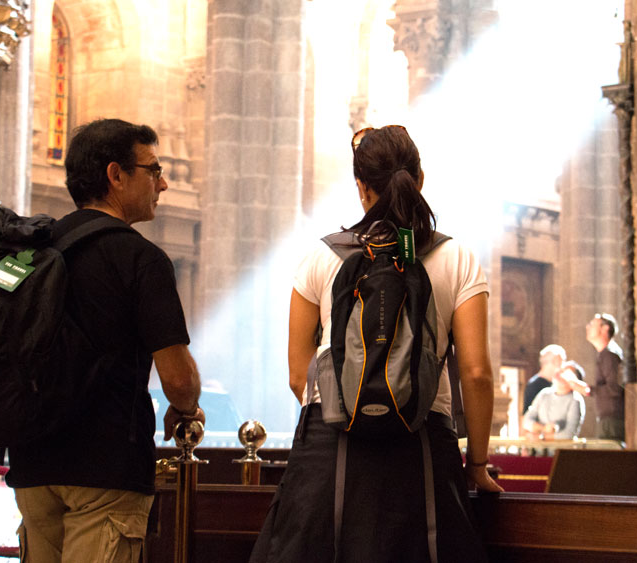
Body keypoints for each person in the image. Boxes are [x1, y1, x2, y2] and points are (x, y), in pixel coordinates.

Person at [250, 125, 502, 563]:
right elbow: (476, 373)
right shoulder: (457, 258)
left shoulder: (321, 257)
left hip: (331, 447)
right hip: (422, 444)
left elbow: (298, 376)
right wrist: (476, 465)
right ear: (419, 179)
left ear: (361, 187)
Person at [5, 119, 205, 563]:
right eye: (153, 170)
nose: (165, 183)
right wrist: (187, 408)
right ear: (116, 175)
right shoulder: (141, 259)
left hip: (32, 461)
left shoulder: (32, 252)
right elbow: (178, 378)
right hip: (105, 467)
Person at [585, 312, 624, 442]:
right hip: (608, 419)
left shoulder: (610, 355)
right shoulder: (605, 354)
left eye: (592, 324)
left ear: (605, 328)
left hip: (612, 420)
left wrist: (587, 389)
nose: (587, 327)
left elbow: (614, 388)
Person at [523, 361, 586, 439]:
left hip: (561, 449)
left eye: (566, 373)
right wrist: (543, 428)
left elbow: (568, 434)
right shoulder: (544, 394)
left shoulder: (575, 400)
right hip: (539, 449)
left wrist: (541, 437)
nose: (559, 374)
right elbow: (527, 421)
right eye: (561, 370)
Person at [522, 344, 565, 414]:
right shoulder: (534, 385)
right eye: (560, 362)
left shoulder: (557, 384)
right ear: (552, 362)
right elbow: (527, 416)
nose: (562, 367)